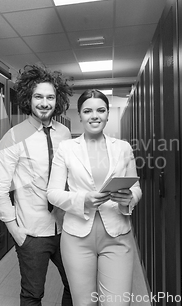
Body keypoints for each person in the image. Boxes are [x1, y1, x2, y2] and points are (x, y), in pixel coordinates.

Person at [47, 89, 142, 306]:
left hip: (117, 236)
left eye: (101, 110)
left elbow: (136, 187)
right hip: (77, 238)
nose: (95, 115)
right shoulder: (66, 148)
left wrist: (130, 198)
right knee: (84, 303)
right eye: (88, 111)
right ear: (79, 115)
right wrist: (83, 200)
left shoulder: (123, 148)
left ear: (108, 114)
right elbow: (52, 193)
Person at [0, 64, 73, 306]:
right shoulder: (13, 137)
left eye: (50, 97)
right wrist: (16, 232)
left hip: (65, 227)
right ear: (29, 98)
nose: (45, 103)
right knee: (32, 295)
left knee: (75, 285)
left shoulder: (65, 133)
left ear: (57, 100)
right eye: (39, 96)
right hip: (32, 233)